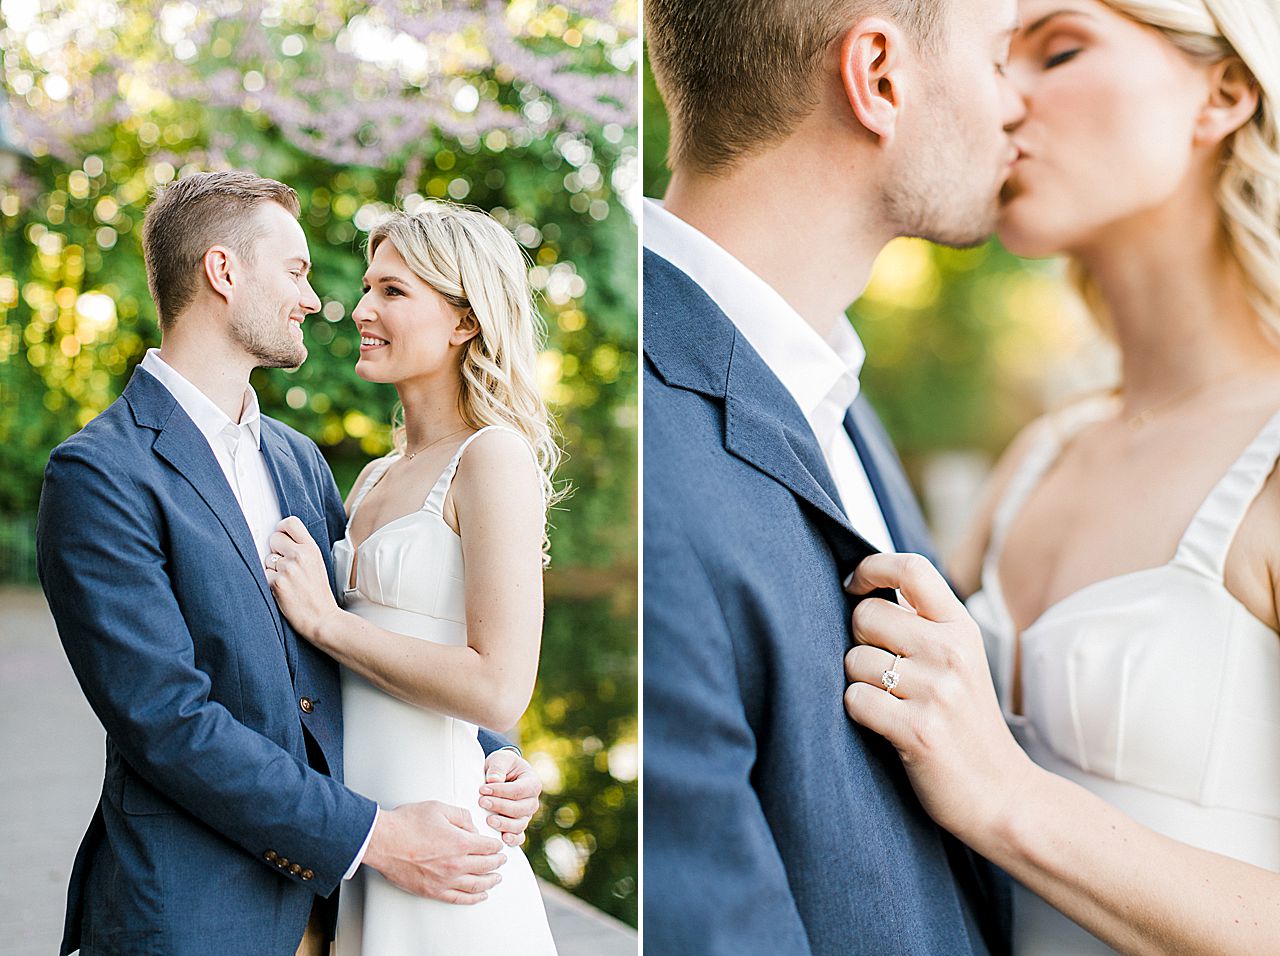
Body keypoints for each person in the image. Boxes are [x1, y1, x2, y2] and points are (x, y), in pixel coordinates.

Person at [841, 1, 1280, 952]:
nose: (1004, 98)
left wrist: (1006, 798)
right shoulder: (1039, 458)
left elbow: (988, 783)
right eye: (1000, 58)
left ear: (1226, 90)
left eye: (1061, 49)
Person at [36, 171, 542, 956]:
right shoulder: (100, 473)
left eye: (388, 290)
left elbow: (360, 644)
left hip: (347, 908)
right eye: (298, 272)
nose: (320, 301)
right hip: (197, 913)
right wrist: (376, 837)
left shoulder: (299, 461)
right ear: (223, 272)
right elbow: (167, 722)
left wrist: (494, 753)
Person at [642, 0, 1024, 951]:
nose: (1019, 106)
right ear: (880, 77)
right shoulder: (653, 452)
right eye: (1002, 58)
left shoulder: (830, 384)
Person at [265, 201, 561, 954]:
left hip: (450, 855)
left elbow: (499, 686)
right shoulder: (369, 478)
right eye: (368, 287)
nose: (361, 308)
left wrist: (328, 622)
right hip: (364, 844)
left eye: (393, 291)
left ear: (464, 320)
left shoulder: (493, 459)